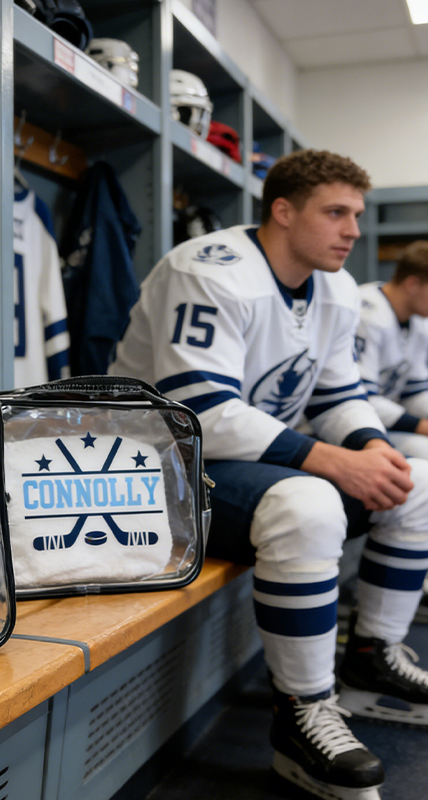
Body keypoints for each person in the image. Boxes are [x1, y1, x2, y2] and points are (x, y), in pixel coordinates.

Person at [109, 149, 428, 800]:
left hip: (244, 459)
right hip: (153, 462)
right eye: (335, 213)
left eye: (357, 215)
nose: (353, 231)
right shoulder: (210, 272)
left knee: (417, 478)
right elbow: (198, 411)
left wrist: (370, 446)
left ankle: (373, 656)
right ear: (283, 212)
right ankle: (303, 711)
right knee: (307, 502)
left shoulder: (335, 288)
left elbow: (337, 396)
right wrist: (335, 460)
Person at [356, 242, 428, 459]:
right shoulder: (366, 313)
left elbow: (413, 392)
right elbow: (360, 399)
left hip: (382, 421)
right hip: (342, 425)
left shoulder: (418, 320)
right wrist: (421, 426)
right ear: (413, 283)